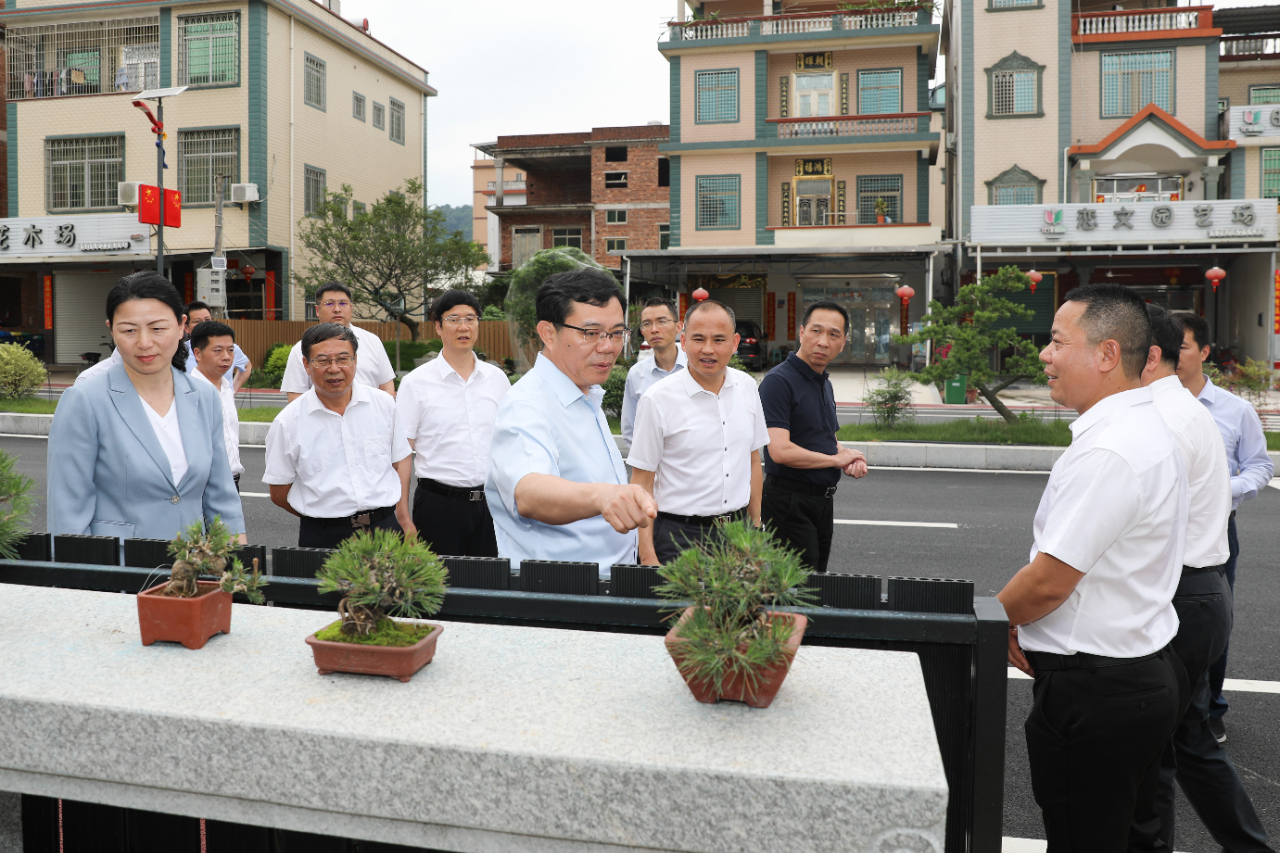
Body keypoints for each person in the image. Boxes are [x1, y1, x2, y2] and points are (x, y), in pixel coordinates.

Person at [1000, 284, 1186, 853]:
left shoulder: (1110, 450)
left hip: (1098, 692)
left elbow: (1049, 582)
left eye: (1058, 342)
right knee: (1133, 837)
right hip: (1138, 674)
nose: (1045, 354)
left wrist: (991, 620)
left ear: (1107, 354)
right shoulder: (1141, 428)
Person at [1137, 305, 1273, 853]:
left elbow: (1259, 467)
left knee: (1167, 740)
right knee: (1181, 738)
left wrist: (1222, 491)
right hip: (1189, 570)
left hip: (1195, 561)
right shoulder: (1174, 411)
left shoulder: (1201, 414)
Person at [48, 273, 245, 543]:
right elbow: (68, 513)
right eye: (129, 330)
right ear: (112, 330)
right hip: (116, 564)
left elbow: (221, 497)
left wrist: (235, 561)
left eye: (158, 328)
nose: (144, 343)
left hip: (190, 564)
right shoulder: (84, 400)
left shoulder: (204, 396)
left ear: (181, 327)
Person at [486, 267, 657, 574]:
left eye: (616, 333)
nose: (608, 346)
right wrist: (603, 496)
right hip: (559, 587)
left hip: (608, 580)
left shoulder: (586, 394)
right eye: (591, 333)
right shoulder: (527, 404)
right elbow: (528, 492)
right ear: (548, 333)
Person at [1173, 311, 1273, 744]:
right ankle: (1165, 706)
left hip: (1215, 529)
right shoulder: (1148, 405)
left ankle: (1210, 708)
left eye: (1182, 347)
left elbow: (1260, 466)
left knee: (1211, 619)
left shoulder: (1235, 410)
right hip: (1157, 529)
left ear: (1204, 352)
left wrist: (1221, 490)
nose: (1172, 355)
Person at [628, 299, 768, 565]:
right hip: (678, 539)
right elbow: (641, 482)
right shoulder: (657, 399)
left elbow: (753, 462)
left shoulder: (747, 387)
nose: (708, 349)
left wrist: (755, 529)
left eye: (719, 340)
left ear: (735, 343)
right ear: (683, 341)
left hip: (738, 535)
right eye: (698, 339)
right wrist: (647, 555)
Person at [263, 323, 414, 548]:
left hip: (384, 530)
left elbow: (398, 462)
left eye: (343, 359)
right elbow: (278, 492)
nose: (334, 368)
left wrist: (403, 518)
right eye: (323, 361)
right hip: (324, 536)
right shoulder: (288, 422)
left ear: (355, 360)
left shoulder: (384, 405)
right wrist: (322, 517)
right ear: (306, 364)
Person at [397, 289, 509, 557]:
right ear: (438, 326)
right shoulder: (415, 383)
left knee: (489, 580)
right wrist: (402, 516)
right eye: (454, 319)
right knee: (438, 581)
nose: (463, 326)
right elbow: (401, 454)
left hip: (492, 506)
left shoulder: (497, 379)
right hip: (439, 507)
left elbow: (510, 443)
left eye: (471, 319)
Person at [758, 300, 867, 572]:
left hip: (821, 502)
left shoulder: (823, 382)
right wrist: (835, 461)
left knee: (817, 581)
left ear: (843, 343)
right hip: (788, 502)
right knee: (795, 589)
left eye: (833, 334)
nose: (823, 341)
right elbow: (779, 451)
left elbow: (827, 438)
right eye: (816, 331)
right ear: (801, 332)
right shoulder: (779, 381)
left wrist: (847, 456)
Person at [281, 282, 396, 401]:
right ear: (317, 310)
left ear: (351, 308)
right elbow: (296, 398)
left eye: (343, 303)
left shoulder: (372, 341)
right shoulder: (301, 349)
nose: (337, 309)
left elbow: (387, 387)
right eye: (329, 303)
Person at [620, 297, 686, 450]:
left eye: (661, 321)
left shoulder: (696, 368)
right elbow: (630, 428)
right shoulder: (636, 375)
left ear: (678, 327)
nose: (654, 329)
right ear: (642, 332)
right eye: (647, 324)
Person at [189, 320, 246, 493]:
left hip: (232, 479)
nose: (226, 357)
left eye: (230, 350)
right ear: (197, 354)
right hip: (205, 483)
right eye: (218, 350)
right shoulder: (189, 392)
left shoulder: (226, 388)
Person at [183, 301, 253, 391]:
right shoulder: (179, 351)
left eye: (207, 320)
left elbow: (246, 366)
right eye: (197, 321)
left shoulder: (231, 348)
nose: (204, 324)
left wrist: (232, 390)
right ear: (186, 327)